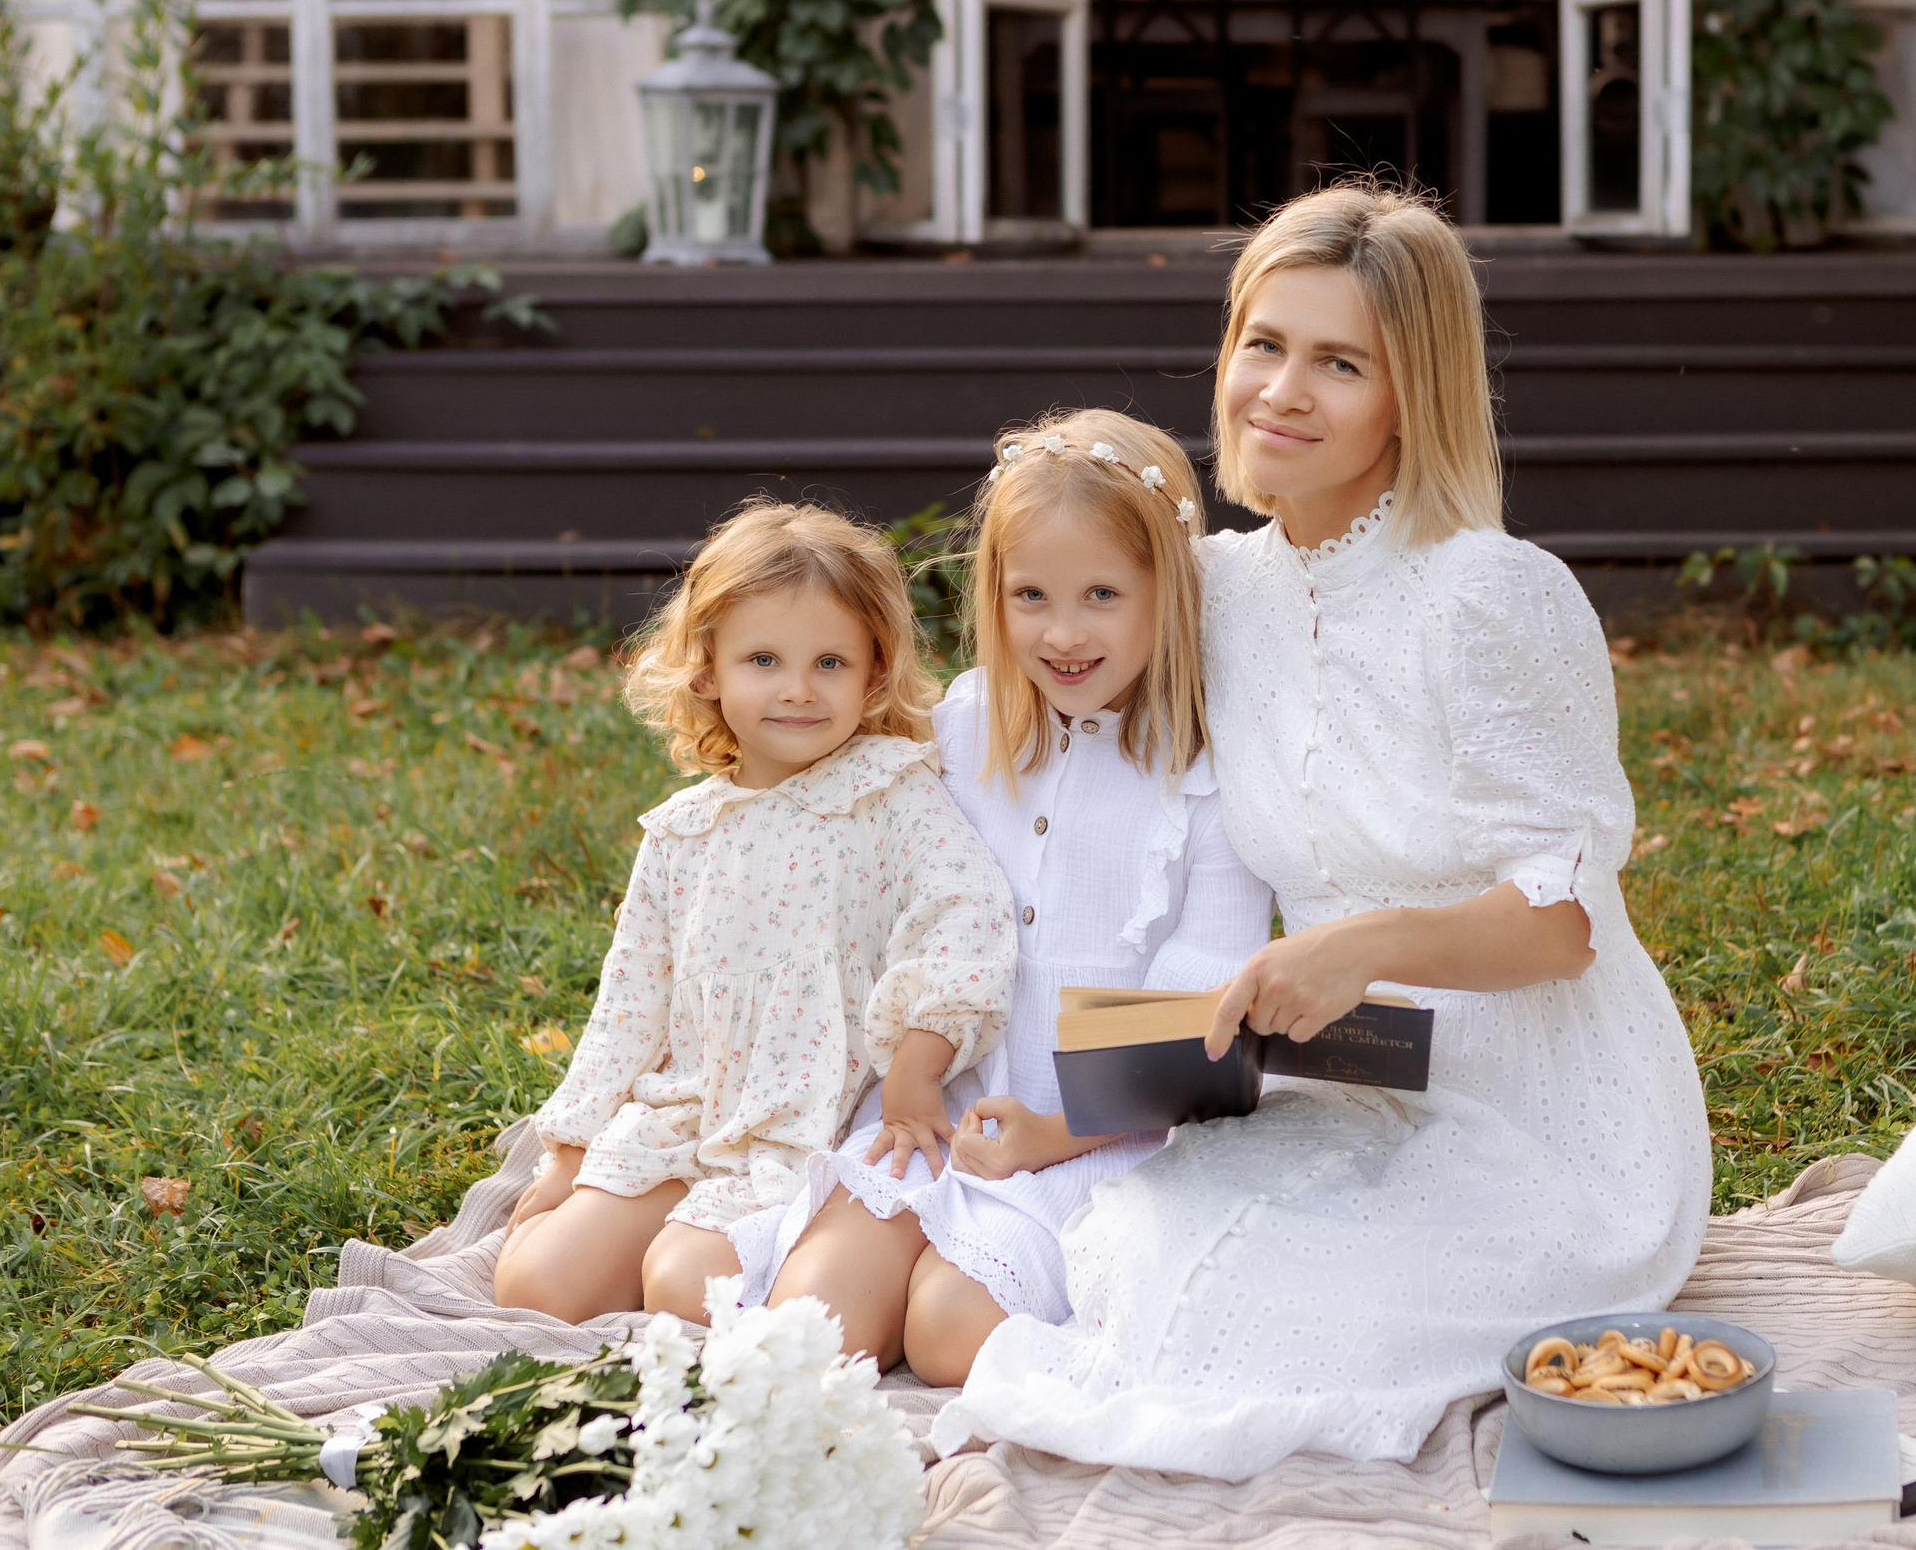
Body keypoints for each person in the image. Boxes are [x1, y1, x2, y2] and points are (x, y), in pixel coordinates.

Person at [933, 184, 1712, 1479]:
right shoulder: (1217, 588)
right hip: (1354, 1066)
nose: (1282, 390)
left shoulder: (1490, 595)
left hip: (1552, 1119)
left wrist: (1363, 943)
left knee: (1236, 1317)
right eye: (1264, 344)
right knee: (1131, 1247)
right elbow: (1041, 677)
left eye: (1340, 362)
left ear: (1415, 391)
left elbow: (1568, 924)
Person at [726, 410, 1273, 1385]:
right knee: (806, 1330)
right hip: (943, 1112)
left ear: (1170, 593)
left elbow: (1205, 1016)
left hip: (1112, 1140)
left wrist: (1055, 1136)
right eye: (1031, 596)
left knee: (946, 1337)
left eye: (1102, 594)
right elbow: (889, 897)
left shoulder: (1208, 771)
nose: (1062, 634)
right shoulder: (966, 728)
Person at [491, 499, 1015, 1325]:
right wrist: (570, 1151)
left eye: (831, 664)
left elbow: (968, 920)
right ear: (708, 671)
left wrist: (919, 1061)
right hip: (688, 1112)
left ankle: (730, 1262)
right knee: (536, 1286)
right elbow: (629, 1008)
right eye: (764, 659)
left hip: (803, 1124)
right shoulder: (683, 833)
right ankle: (637, 1227)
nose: (798, 690)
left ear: (875, 672)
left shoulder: (888, 793)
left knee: (687, 1284)